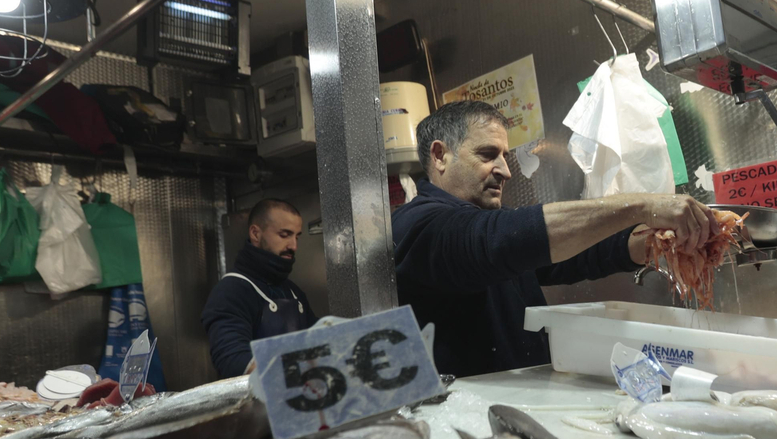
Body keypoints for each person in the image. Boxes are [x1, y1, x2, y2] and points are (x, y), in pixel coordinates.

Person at [393, 100, 720, 377]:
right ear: (439, 156)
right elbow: (501, 240)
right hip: (464, 426)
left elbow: (575, 254)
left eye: (505, 156)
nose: (505, 170)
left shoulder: (491, 228)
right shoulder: (418, 225)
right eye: (488, 154)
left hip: (522, 405)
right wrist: (644, 206)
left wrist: (653, 242)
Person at [202, 198, 316, 378]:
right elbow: (233, 360)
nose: (293, 246)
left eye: (297, 236)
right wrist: (294, 378)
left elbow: (320, 346)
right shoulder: (230, 291)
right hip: (255, 404)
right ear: (256, 233)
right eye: (284, 235)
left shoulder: (294, 292)